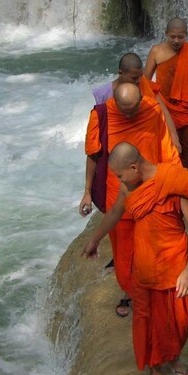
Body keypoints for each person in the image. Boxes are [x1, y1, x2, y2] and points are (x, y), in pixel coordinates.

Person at [83, 141, 188, 375]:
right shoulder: (129, 187)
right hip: (144, 270)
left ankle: (173, 358)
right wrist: (95, 238)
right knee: (146, 323)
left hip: (175, 267)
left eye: (121, 175)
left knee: (180, 321)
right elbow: (114, 213)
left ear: (134, 167)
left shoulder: (172, 184)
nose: (120, 180)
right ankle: (155, 371)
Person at [78, 83, 181, 317]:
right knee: (124, 258)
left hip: (152, 194)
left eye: (133, 109)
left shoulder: (151, 109)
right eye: (123, 110)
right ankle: (131, 291)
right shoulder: (102, 114)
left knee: (153, 251)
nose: (128, 116)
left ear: (140, 102)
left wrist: (174, 186)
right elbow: (93, 154)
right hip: (117, 196)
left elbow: (167, 149)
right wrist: (87, 190)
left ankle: (145, 294)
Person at [145, 17, 188, 168]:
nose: (176, 40)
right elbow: (145, 81)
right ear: (166, 33)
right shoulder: (156, 51)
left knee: (185, 150)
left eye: (181, 37)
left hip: (186, 111)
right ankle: (167, 182)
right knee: (166, 148)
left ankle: (183, 181)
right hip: (163, 108)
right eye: (172, 36)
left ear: (187, 34)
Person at [91, 52, 180, 151]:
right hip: (116, 145)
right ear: (121, 73)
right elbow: (100, 122)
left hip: (144, 140)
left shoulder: (145, 85)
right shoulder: (103, 94)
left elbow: (162, 111)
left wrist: (174, 136)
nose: (138, 80)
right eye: (134, 78)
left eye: (140, 76)